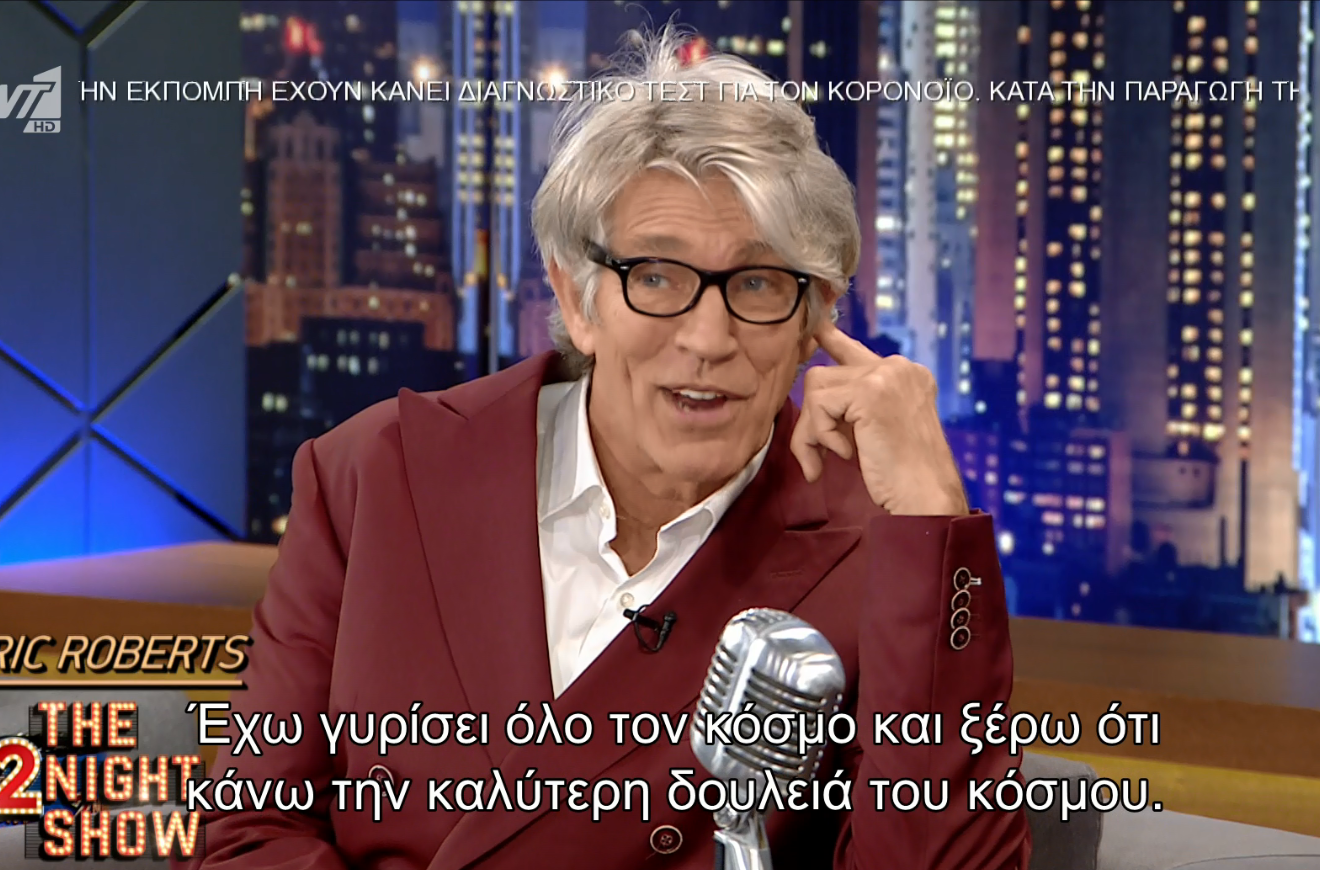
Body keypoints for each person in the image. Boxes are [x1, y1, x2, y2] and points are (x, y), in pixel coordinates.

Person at [185, 27, 1031, 870]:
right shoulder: (375, 473)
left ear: (816, 319)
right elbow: (244, 835)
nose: (708, 338)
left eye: (759, 283)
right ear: (575, 298)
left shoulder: (881, 557)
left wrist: (934, 519)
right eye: (655, 276)